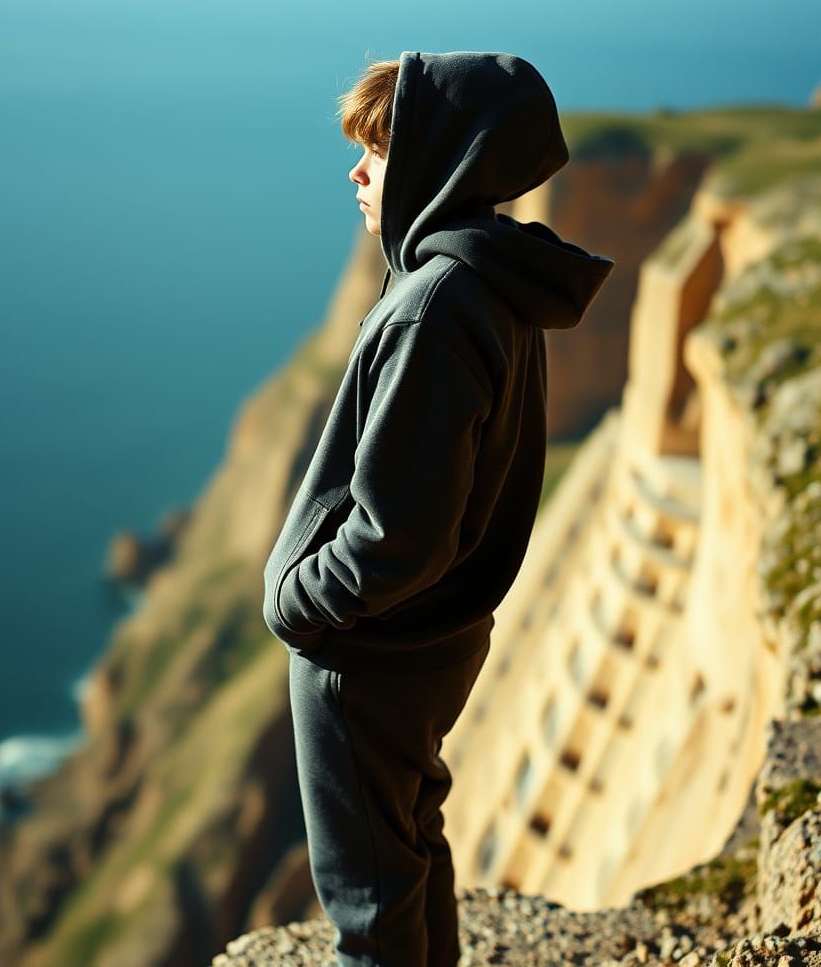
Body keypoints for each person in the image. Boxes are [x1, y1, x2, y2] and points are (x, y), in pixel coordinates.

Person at [262, 50, 616, 967]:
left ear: (431, 163)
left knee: (368, 903)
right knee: (410, 846)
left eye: (375, 151)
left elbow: (394, 535)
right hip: (437, 639)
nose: (356, 170)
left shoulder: (433, 308)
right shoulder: (497, 284)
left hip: (370, 652)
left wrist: (300, 607)